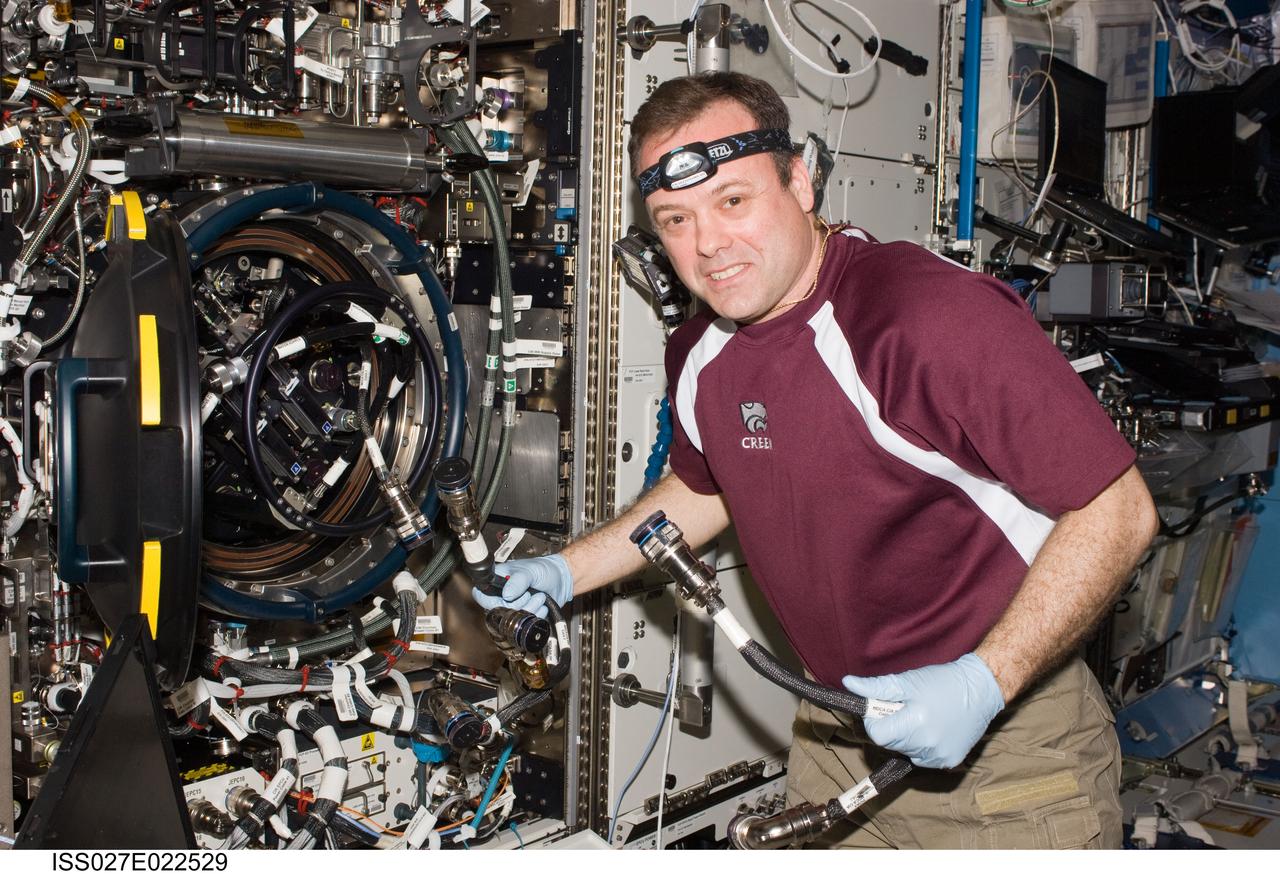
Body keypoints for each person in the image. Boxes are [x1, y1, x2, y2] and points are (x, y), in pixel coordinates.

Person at [474, 72, 1158, 849]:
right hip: (834, 736)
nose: (708, 245)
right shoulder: (700, 351)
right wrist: (567, 573)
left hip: (1004, 744)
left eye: (733, 201)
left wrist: (985, 682)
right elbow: (705, 491)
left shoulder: (924, 317)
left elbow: (1120, 509)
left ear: (799, 181)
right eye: (675, 219)